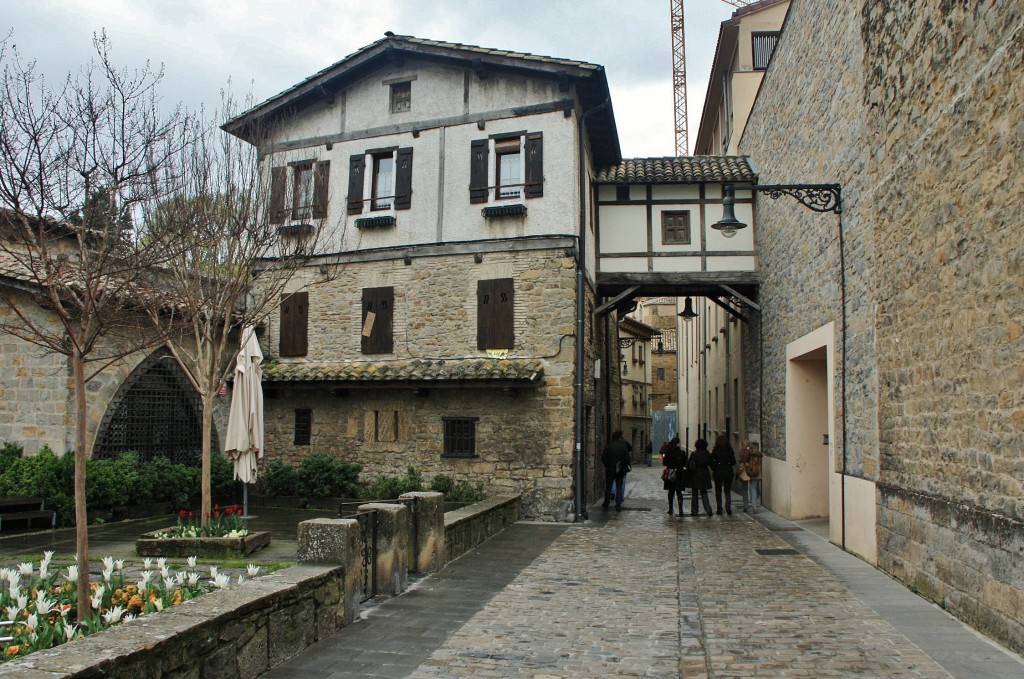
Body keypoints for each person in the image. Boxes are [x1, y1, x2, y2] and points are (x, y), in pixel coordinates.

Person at [601, 430, 632, 512]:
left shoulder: (609, 446)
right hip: (620, 470)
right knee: (619, 487)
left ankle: (606, 502)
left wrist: (607, 465)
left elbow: (603, 457)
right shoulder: (622, 447)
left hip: (610, 470)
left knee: (608, 487)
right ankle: (618, 504)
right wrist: (622, 465)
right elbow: (627, 458)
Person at [710, 434, 737, 515]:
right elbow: (733, 462)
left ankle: (719, 508)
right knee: (727, 490)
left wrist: (714, 467)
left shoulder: (716, 450)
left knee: (718, 491)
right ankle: (728, 507)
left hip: (718, 471)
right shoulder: (729, 450)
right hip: (728, 471)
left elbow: (711, 460)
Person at [661, 436, 687, 515]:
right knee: (679, 491)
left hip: (670, 473)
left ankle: (670, 508)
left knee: (671, 492)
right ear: (678, 443)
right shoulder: (682, 453)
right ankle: (680, 509)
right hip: (678, 473)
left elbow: (664, 463)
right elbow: (684, 463)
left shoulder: (668, 452)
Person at [688, 438, 713, 517]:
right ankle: (708, 510)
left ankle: (694, 511)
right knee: (704, 492)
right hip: (704, 474)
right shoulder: (707, 454)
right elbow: (711, 464)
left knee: (694, 493)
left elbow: (689, 465)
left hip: (695, 474)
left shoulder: (694, 454)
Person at [738, 440, 763, 513]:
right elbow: (761, 455)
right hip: (755, 471)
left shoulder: (742, 452)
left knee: (744, 489)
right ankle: (754, 506)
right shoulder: (756, 452)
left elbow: (740, 460)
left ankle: (745, 506)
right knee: (753, 489)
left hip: (745, 472)